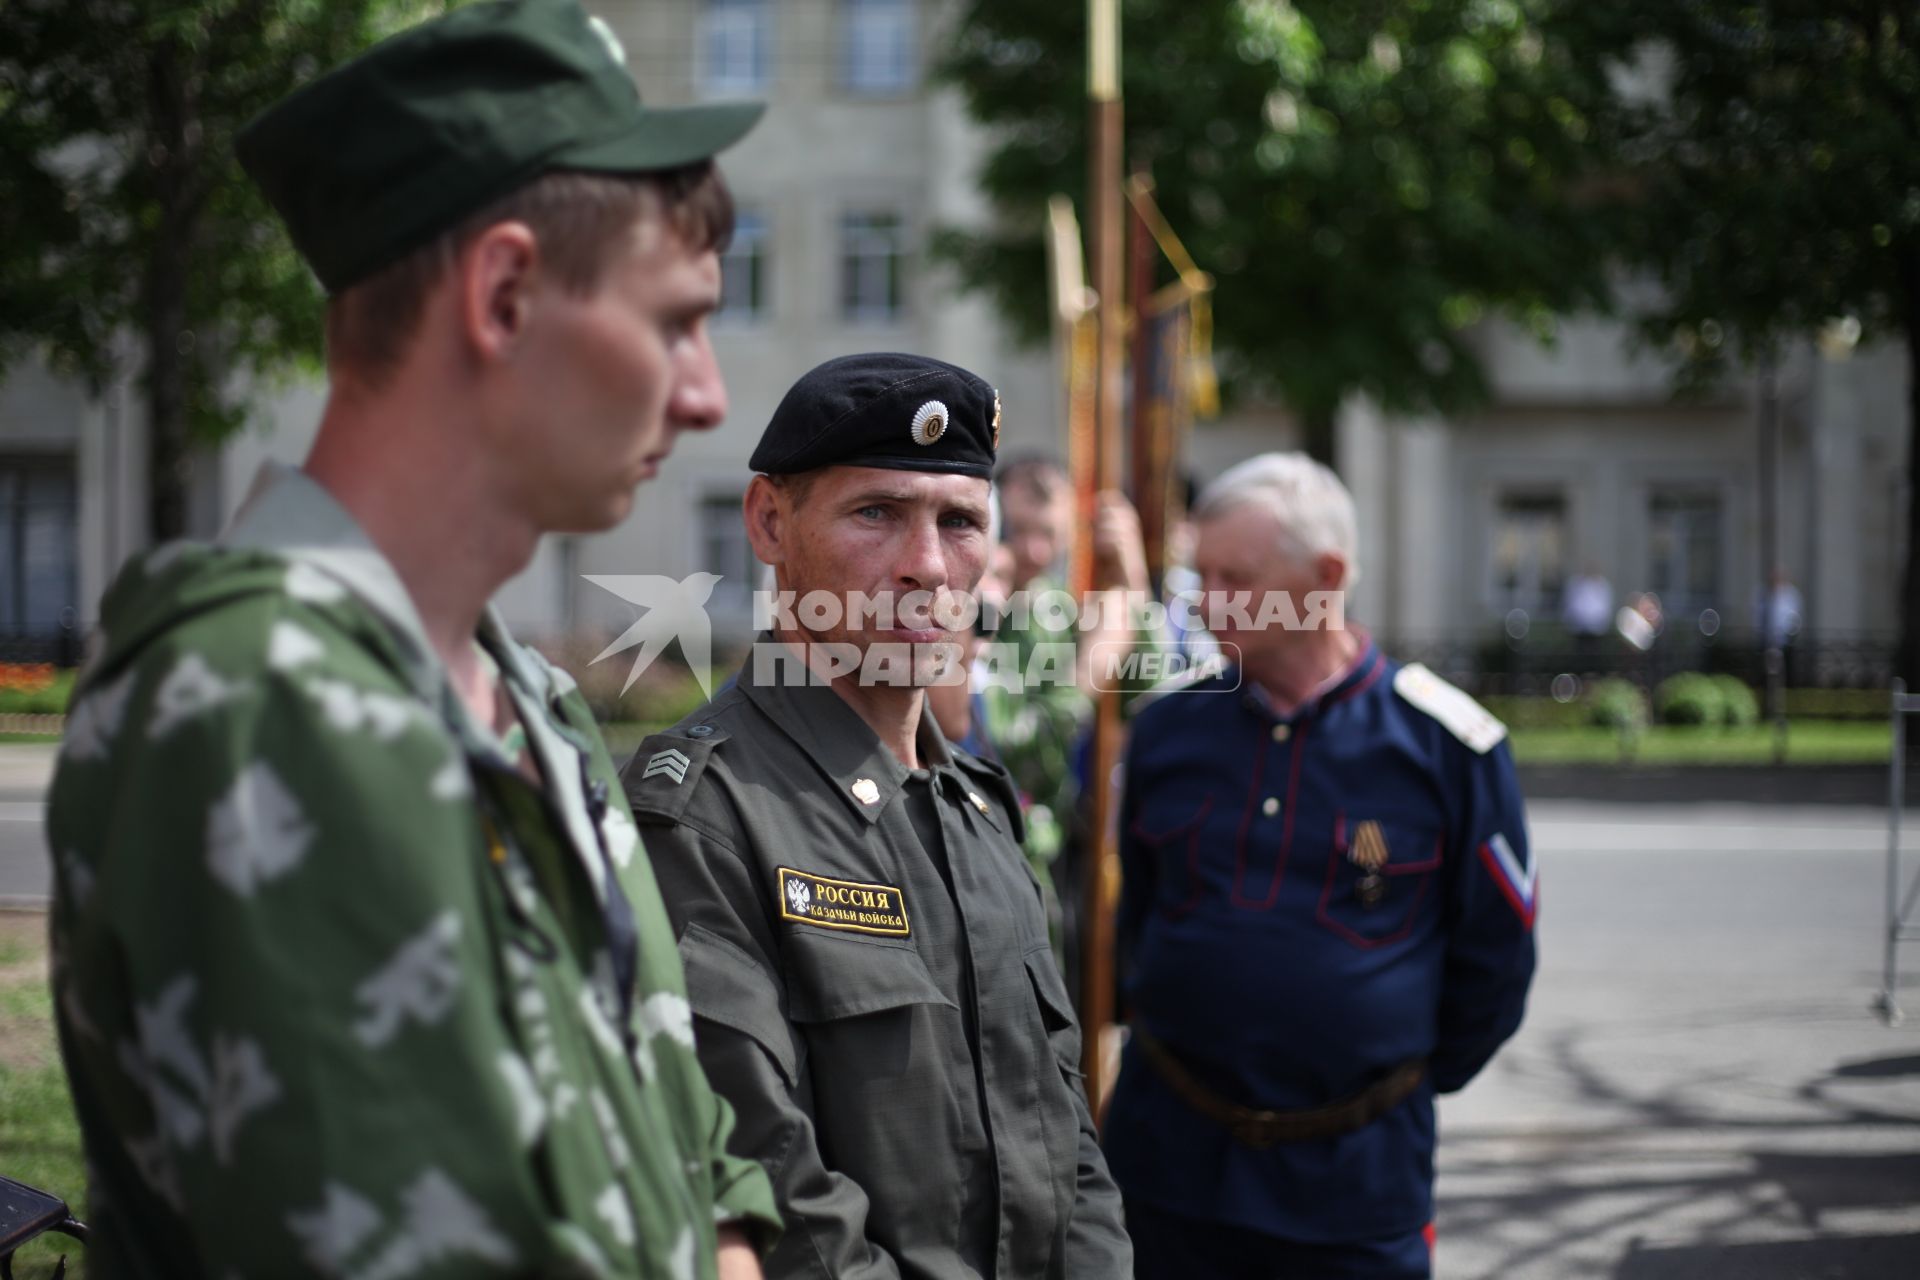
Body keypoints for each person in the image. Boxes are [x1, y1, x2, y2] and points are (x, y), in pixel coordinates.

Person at [43, 3, 779, 1274]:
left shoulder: (521, 697)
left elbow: (680, 1122)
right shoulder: (263, 699)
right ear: (501, 294)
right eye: (673, 321)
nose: (708, 393)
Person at [622, 353, 1133, 1278]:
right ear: (770, 521)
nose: (928, 567)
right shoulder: (698, 816)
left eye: (961, 522)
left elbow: (1070, 1143)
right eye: (877, 514)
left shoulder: (979, 809)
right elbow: (771, 1198)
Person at [1103, 452, 1537, 1280]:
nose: (1206, 599)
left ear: (1326, 576)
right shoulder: (1168, 731)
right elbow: (1135, 927)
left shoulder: (1445, 746)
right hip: (1167, 1169)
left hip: (1356, 1187)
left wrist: (1380, 1080)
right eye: (1202, 574)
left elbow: (1496, 963)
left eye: (1237, 576)